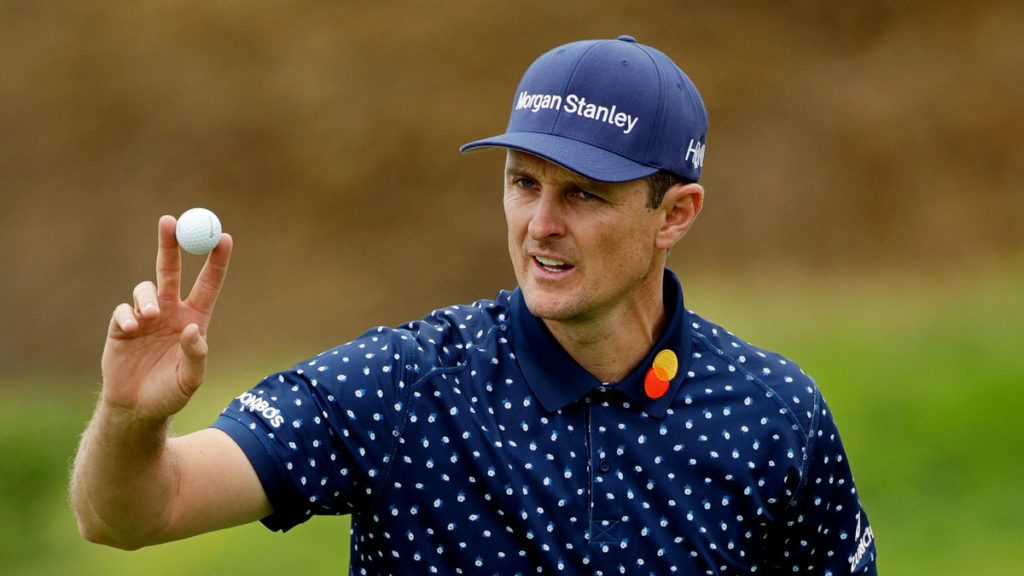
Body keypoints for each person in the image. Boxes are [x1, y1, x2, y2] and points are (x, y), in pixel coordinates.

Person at [72, 35, 878, 574]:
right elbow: (137, 513)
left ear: (675, 214)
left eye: (584, 195)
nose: (541, 225)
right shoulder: (404, 384)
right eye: (523, 183)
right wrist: (131, 419)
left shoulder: (772, 415)